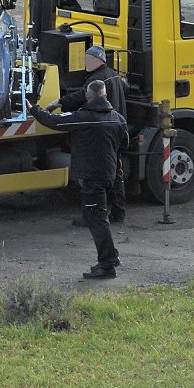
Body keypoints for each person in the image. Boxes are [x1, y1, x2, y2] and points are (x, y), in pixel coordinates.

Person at [31, 80, 128, 279]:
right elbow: (123, 144)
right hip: (108, 174)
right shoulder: (117, 118)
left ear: (87, 96)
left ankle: (108, 264)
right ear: (105, 96)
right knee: (98, 216)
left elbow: (54, 121)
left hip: (91, 176)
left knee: (96, 218)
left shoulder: (83, 117)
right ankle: (110, 258)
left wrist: (34, 110)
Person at [48, 44, 128, 223]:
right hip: (116, 129)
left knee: (94, 178)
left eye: (88, 59)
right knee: (116, 173)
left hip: (101, 131)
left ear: (97, 60)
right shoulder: (114, 75)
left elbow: (81, 96)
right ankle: (118, 213)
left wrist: (58, 102)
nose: (85, 62)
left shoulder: (97, 80)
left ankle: (92, 217)